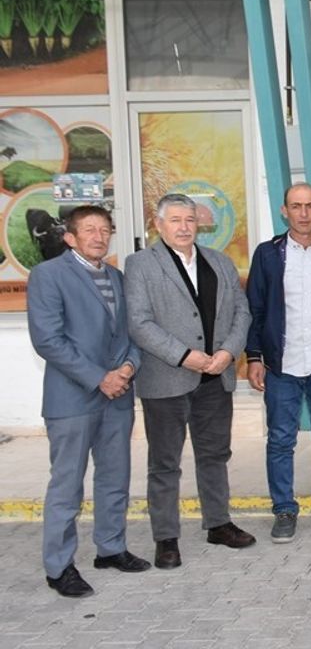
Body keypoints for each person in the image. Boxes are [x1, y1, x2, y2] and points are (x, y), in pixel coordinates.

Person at [125, 194, 254, 568]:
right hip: (167, 378)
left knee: (215, 455)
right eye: (175, 220)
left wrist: (228, 352)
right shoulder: (140, 265)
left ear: (199, 223)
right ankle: (166, 538)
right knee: (165, 462)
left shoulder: (219, 261)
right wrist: (184, 356)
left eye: (190, 220)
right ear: (158, 224)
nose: (184, 227)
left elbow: (242, 312)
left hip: (216, 376)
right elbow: (139, 322)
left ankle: (218, 524)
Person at [29, 205, 149, 597]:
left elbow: (131, 334)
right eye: (89, 230)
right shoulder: (48, 275)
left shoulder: (116, 277)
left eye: (105, 230)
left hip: (117, 397)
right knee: (67, 486)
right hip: (72, 399)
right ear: (70, 237)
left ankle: (111, 548)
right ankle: (59, 567)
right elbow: (48, 340)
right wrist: (100, 378)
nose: (99, 237)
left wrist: (128, 368)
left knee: (115, 477)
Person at [245, 183, 311, 543]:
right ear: (284, 211)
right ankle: (284, 510)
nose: (303, 213)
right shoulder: (268, 254)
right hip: (282, 364)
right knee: (280, 440)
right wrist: (254, 356)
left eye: (310, 206)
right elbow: (255, 308)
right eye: (296, 206)